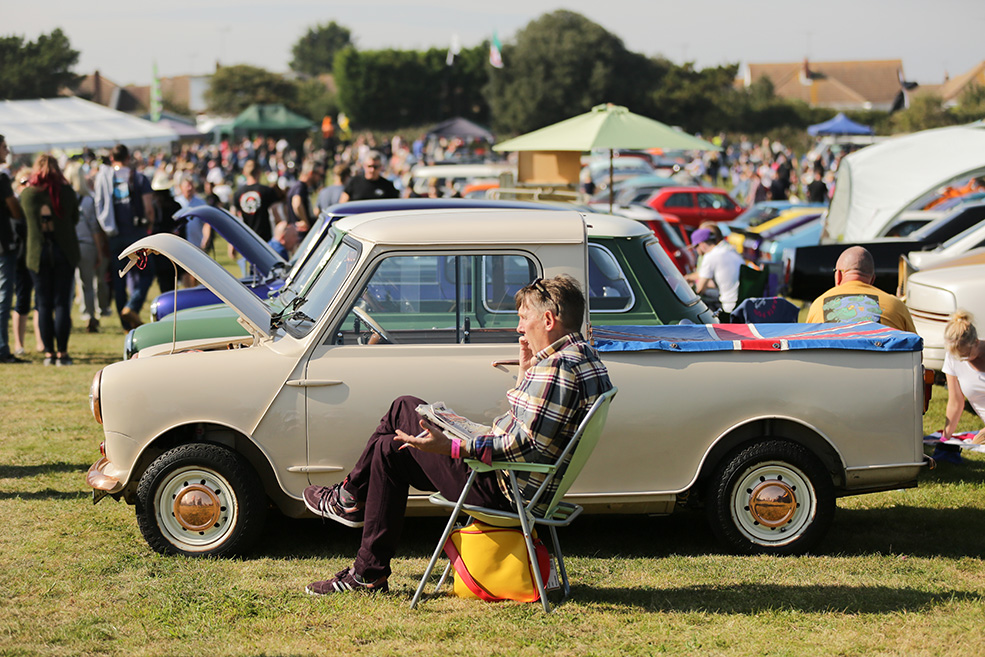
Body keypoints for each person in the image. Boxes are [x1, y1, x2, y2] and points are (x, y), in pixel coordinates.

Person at [301, 275, 612, 595]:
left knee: (400, 416)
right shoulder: (585, 357)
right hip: (519, 483)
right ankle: (365, 559)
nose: (519, 328)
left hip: (502, 490)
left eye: (523, 317)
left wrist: (453, 446)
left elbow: (525, 444)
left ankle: (350, 506)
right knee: (391, 441)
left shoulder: (556, 369)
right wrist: (524, 370)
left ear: (547, 320)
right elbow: (533, 431)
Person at [19, 154, 80, 366]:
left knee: (43, 303)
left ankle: (49, 353)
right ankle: (62, 352)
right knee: (62, 303)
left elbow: (23, 219)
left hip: (38, 253)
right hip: (64, 250)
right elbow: (74, 218)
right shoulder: (67, 192)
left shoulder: (28, 194)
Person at [93, 144, 156, 330]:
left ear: (112, 158)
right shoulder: (139, 177)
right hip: (137, 234)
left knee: (119, 277)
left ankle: (125, 323)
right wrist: (150, 225)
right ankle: (132, 306)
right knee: (147, 272)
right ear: (128, 158)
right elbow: (148, 208)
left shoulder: (104, 178)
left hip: (115, 234)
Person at [805, 246, 915, 332]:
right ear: (872, 279)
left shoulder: (818, 305)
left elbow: (807, 346)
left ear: (838, 275)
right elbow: (916, 348)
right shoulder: (896, 305)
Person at [67, 162, 106, 333]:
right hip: (87, 245)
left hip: (69, 245)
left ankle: (66, 317)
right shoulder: (89, 200)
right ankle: (91, 316)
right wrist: (99, 251)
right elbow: (95, 229)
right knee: (88, 284)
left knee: (68, 286)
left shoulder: (63, 199)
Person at [0, 135, 27, 363]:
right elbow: (15, 209)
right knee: (3, 298)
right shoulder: (1, 178)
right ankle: (2, 348)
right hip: (3, 244)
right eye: (4, 147)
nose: (7, 152)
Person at [941, 310, 985, 444]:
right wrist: (945, 438)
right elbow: (955, 402)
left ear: (976, 342)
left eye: (966, 355)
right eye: (958, 356)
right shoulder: (952, 357)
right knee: (976, 443)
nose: (961, 360)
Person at [690, 224, 744, 314]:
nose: (696, 251)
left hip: (729, 306)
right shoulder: (730, 251)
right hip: (742, 302)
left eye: (695, 248)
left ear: (702, 245)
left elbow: (700, 289)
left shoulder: (710, 256)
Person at [233, 159, 282, 243]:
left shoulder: (238, 194)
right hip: (265, 238)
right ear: (259, 172)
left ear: (244, 173)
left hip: (247, 238)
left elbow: (234, 218)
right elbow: (276, 215)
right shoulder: (267, 191)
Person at [285, 161, 321, 238]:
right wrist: (305, 221)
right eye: (319, 175)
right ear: (311, 173)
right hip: (301, 235)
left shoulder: (296, 186)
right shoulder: (301, 187)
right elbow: (297, 204)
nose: (320, 178)